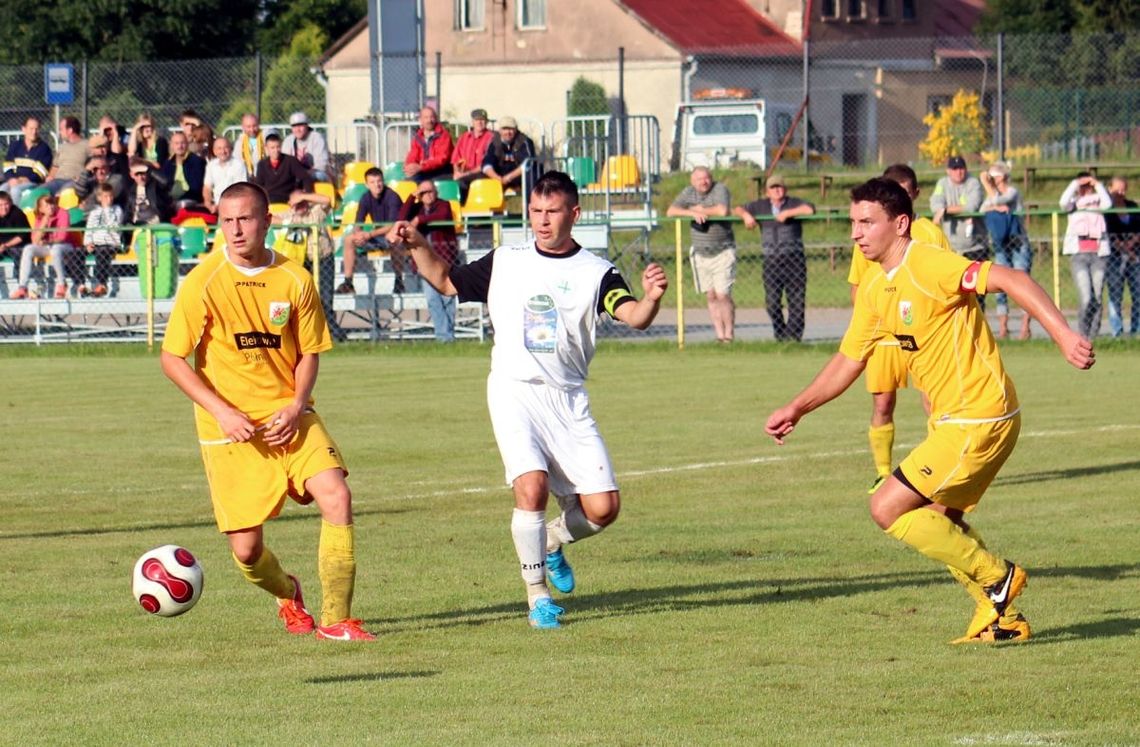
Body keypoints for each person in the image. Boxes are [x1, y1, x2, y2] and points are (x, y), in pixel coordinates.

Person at [764, 177, 1095, 644]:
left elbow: (1011, 278)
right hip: (962, 420)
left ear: (900, 224)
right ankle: (1001, 619)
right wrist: (797, 408)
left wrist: (1063, 335)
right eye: (852, 222)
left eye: (866, 222)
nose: (856, 233)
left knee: (887, 506)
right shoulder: (878, 287)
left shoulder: (928, 263)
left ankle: (997, 579)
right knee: (940, 520)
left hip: (978, 416)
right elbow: (847, 361)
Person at [388, 170, 668, 629]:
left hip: (568, 399)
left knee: (603, 509)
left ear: (574, 214)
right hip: (513, 391)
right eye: (535, 211)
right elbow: (444, 279)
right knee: (531, 487)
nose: (542, 220)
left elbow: (633, 315)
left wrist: (653, 297)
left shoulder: (596, 272)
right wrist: (418, 241)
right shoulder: (507, 259)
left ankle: (553, 541)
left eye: (552, 211)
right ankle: (537, 598)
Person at [160, 181, 373, 642]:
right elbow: (172, 359)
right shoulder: (204, 282)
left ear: (267, 222)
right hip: (231, 432)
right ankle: (288, 593)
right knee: (247, 552)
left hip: (291, 418)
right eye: (227, 220)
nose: (235, 230)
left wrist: (297, 405)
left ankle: (337, 620)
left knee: (337, 495)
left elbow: (311, 351)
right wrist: (223, 412)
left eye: (246, 219)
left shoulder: (295, 278)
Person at [845, 164, 950, 493]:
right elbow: (858, 285)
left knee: (933, 402)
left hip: (923, 338)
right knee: (882, 403)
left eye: (904, 190)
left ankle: (940, 469)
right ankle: (882, 471)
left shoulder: (930, 234)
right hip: (885, 337)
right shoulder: (869, 237)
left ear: (914, 195)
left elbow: (947, 281)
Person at [734, 173, 816, 342]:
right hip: (771, 260)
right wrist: (746, 215)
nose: (777, 190)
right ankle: (780, 334)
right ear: (767, 192)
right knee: (772, 302)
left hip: (794, 259)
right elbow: (737, 208)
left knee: (797, 301)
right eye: (773, 188)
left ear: (784, 189)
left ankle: (793, 338)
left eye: (779, 187)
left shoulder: (793, 202)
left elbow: (810, 209)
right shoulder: (760, 205)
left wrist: (788, 213)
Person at [668, 167, 736, 342]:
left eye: (706, 178)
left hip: (723, 251)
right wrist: (691, 211)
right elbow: (671, 211)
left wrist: (701, 209)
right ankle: (719, 335)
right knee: (711, 295)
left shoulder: (719, 189)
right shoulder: (688, 192)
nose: (703, 182)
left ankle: (729, 335)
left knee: (723, 295)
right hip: (700, 253)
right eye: (699, 179)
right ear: (692, 181)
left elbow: (722, 211)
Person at [272, 189, 344, 342]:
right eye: (297, 203)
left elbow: (327, 200)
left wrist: (303, 196)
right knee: (304, 300)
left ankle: (335, 335)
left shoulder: (316, 211)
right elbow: (270, 219)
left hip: (323, 259)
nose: (301, 206)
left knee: (325, 299)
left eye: (303, 202)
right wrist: (290, 221)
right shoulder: (290, 215)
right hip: (302, 262)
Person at [397, 180, 459, 341]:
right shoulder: (416, 208)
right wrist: (412, 196)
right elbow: (401, 217)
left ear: (436, 193)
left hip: (445, 259)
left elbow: (442, 216)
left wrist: (419, 220)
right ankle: (443, 337)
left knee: (448, 299)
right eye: (424, 192)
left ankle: (448, 336)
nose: (428, 195)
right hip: (425, 264)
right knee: (433, 300)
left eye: (431, 191)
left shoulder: (443, 205)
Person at [981, 162, 1032, 339]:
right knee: (1001, 286)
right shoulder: (991, 195)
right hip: (1001, 244)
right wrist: (994, 207)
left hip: (1018, 242)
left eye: (992, 176)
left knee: (1023, 284)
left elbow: (997, 200)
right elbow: (983, 208)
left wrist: (987, 186)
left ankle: (1025, 326)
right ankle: (1004, 327)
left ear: (1001, 177)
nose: (990, 179)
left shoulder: (1012, 192)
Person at [1060, 172, 1113, 339]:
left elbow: (1108, 203)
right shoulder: (1073, 204)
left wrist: (1097, 184)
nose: (1086, 188)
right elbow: (1062, 202)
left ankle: (1093, 335)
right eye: (1084, 186)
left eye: (1088, 185)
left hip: (1099, 255)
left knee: (1097, 296)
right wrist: (1075, 183)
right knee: (1086, 297)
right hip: (1079, 256)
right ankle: (1082, 334)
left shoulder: (1099, 203)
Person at [336, 167, 402, 295]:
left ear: (383, 181)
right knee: (349, 239)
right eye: (372, 182)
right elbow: (358, 222)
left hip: (392, 235)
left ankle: (399, 281)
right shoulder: (365, 198)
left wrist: (369, 234)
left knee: (394, 238)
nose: (377, 185)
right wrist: (358, 234)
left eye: (379, 181)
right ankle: (348, 282)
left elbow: (392, 225)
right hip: (377, 236)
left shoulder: (392, 197)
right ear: (366, 184)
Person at [12, 194, 75, 299]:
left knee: (55, 249)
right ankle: (22, 287)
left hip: (64, 246)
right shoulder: (40, 217)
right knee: (28, 249)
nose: (50, 207)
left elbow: (62, 237)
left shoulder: (63, 213)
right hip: (48, 246)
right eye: (46, 206)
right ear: (41, 209)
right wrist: (44, 222)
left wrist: (48, 241)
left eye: (52, 204)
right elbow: (35, 240)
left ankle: (62, 283)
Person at [930, 155, 987, 262]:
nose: (959, 172)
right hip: (952, 248)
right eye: (955, 169)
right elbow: (935, 204)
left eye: (961, 168)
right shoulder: (942, 184)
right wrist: (942, 208)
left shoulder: (973, 183)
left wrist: (945, 210)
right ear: (948, 171)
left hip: (975, 247)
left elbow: (971, 207)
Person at [1104, 176, 1139, 338]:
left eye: (1123, 189)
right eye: (1117, 189)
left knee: (1137, 294)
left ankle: (1136, 331)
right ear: (1109, 189)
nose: (1121, 193)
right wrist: (1124, 248)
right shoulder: (1107, 209)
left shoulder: (1132, 206)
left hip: (1134, 256)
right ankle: (1117, 332)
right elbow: (1109, 233)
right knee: (1115, 296)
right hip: (1115, 257)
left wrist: (1131, 245)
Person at [83, 182, 125, 297]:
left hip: (111, 244)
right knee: (74, 254)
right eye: (106, 196)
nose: (109, 199)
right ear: (99, 198)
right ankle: (80, 284)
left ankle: (101, 284)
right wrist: (88, 244)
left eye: (111, 196)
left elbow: (115, 227)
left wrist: (107, 210)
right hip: (96, 244)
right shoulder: (94, 212)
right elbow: (89, 230)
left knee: (102, 253)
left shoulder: (117, 210)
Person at [2, 116, 53, 206]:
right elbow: (8, 166)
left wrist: (26, 179)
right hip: (14, 180)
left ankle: (17, 217)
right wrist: (11, 178)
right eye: (31, 128)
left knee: (15, 191)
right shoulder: (15, 145)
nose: (34, 132)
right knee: (2, 190)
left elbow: (41, 172)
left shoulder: (44, 149)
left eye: (36, 129)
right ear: (24, 129)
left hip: (32, 183)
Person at [481, 116, 538, 192]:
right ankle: (490, 202)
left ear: (516, 129)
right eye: (505, 129)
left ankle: (529, 201)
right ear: (500, 130)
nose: (508, 132)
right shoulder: (493, 141)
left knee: (530, 173)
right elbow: (487, 162)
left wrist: (509, 177)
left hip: (518, 174)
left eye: (511, 129)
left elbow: (528, 163)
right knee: (482, 175)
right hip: (500, 173)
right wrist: (496, 177)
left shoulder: (524, 141)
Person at [254, 134, 313, 205]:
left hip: (287, 197)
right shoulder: (262, 164)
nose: (276, 150)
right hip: (269, 199)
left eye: (278, 147)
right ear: (266, 148)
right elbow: (259, 185)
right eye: (272, 148)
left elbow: (305, 177)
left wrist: (306, 194)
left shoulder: (290, 161)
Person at [451, 108, 494, 200]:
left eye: (482, 120)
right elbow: (456, 159)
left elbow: (486, 164)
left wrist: (464, 175)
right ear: (472, 122)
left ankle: (463, 208)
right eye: (477, 120)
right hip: (464, 173)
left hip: (483, 173)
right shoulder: (464, 137)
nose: (479, 122)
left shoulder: (492, 138)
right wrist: (457, 172)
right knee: (443, 182)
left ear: (486, 122)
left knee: (461, 183)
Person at [403, 106, 454, 184]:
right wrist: (409, 166)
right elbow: (413, 154)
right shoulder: (418, 137)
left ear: (436, 119)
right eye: (426, 117)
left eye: (432, 117)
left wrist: (421, 167)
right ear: (421, 120)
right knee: (407, 183)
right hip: (424, 172)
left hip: (442, 172)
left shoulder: (444, 135)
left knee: (427, 184)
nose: (429, 120)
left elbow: (441, 159)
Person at [203, 137, 249, 214]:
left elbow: (240, 189)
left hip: (234, 205)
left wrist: (223, 205)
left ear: (231, 149)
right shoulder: (211, 165)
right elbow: (207, 187)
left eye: (226, 148)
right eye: (219, 148)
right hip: (216, 205)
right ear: (214, 151)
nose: (223, 151)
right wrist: (208, 204)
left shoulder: (239, 165)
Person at [160, 131, 207, 208]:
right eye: (176, 143)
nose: (180, 146)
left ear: (187, 144)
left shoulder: (196, 161)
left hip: (190, 198)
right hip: (170, 198)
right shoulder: (168, 163)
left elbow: (196, 186)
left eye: (182, 143)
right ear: (172, 145)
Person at [45, 116, 89, 194]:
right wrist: (50, 177)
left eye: (61, 129)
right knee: (38, 192)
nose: (60, 132)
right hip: (57, 181)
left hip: (74, 181)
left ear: (70, 130)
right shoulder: (62, 147)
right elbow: (55, 166)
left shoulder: (87, 145)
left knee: (63, 193)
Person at [283, 112, 330, 182]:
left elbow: (321, 166)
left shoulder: (317, 138)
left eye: (300, 125)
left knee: (318, 175)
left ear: (307, 125)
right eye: (294, 126)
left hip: (316, 173)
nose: (298, 129)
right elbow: (284, 165)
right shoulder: (288, 140)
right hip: (296, 175)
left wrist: (303, 174)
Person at [125, 158, 174, 227]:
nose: (140, 178)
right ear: (132, 175)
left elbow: (166, 182)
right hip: (137, 224)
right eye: (137, 174)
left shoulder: (156, 186)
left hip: (155, 224)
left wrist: (150, 169)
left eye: (143, 173)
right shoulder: (131, 190)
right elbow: (128, 211)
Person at [0, 191, 31, 268]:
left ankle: (19, 277)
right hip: (2, 244)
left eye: (6, 204)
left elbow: (22, 236)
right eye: (0, 205)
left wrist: (6, 245)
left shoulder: (17, 213)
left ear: (10, 203)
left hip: (17, 245)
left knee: (18, 253)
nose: (4, 208)